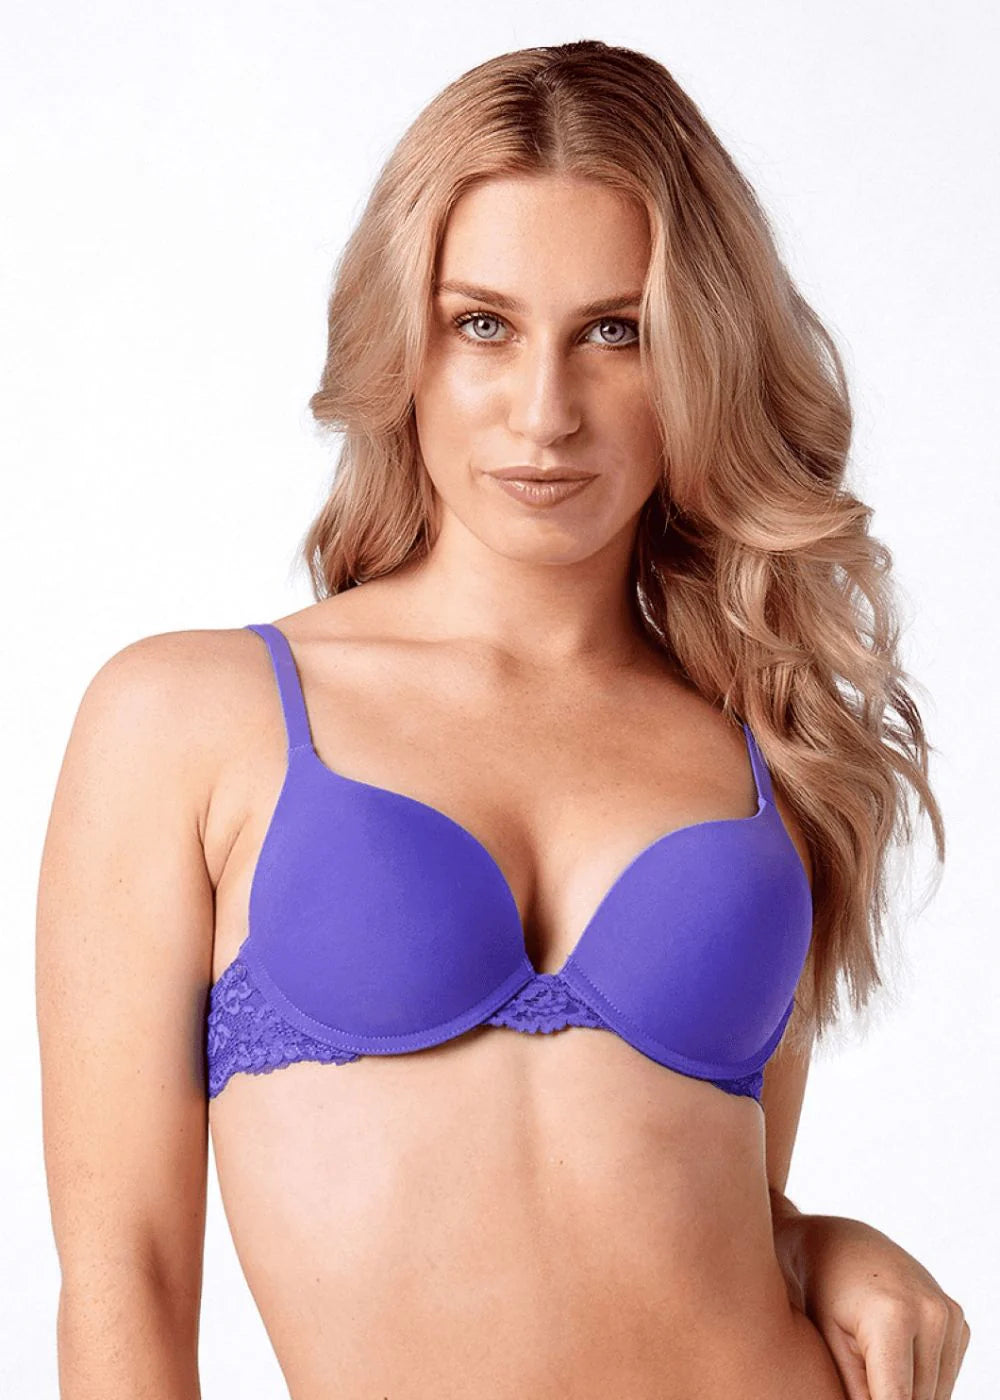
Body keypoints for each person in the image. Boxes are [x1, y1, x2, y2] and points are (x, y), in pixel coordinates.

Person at [36, 39, 970, 1400]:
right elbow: (125, 1267)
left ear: (701, 357)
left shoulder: (767, 748)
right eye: (484, 324)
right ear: (402, 343)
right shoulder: (191, 718)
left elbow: (690, 1206)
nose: (546, 414)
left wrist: (818, 1244)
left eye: (616, 332)